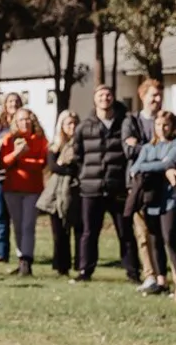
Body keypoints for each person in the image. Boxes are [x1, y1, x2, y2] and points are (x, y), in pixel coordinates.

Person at [70, 84, 143, 285]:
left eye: (108, 95)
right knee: (89, 232)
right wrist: (84, 176)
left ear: (113, 98)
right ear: (95, 99)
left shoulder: (125, 123)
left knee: (125, 231)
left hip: (117, 187)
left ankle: (132, 271)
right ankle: (85, 270)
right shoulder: (84, 126)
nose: (105, 98)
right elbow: (78, 155)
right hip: (90, 188)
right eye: (101, 95)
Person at [129, 111, 176, 297]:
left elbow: (170, 162)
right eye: (158, 125)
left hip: (170, 199)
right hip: (151, 200)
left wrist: (159, 165)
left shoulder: (173, 145)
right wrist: (161, 165)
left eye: (165, 125)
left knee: (170, 238)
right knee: (154, 239)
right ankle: (161, 280)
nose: (162, 129)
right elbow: (136, 168)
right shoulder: (148, 147)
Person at [0, 108, 49, 278]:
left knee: (28, 226)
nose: (25, 123)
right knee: (18, 225)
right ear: (15, 122)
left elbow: (41, 162)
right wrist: (17, 154)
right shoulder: (10, 139)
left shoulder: (40, 140)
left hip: (32, 189)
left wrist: (21, 161)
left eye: (28, 119)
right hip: (12, 188)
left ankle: (27, 260)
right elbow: (4, 161)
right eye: (21, 120)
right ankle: (21, 260)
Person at [127, 79, 165, 289]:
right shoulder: (132, 121)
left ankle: (163, 276)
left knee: (163, 234)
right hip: (139, 185)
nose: (157, 100)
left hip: (163, 186)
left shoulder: (167, 120)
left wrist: (142, 148)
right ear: (142, 96)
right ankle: (150, 275)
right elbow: (128, 150)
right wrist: (157, 153)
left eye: (159, 96)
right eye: (153, 95)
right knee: (142, 233)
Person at [40, 110, 82, 277]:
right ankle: (61, 266)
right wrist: (65, 166)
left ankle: (80, 264)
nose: (72, 127)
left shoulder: (82, 143)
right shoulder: (55, 145)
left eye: (74, 123)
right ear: (62, 126)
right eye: (68, 124)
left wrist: (66, 166)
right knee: (59, 232)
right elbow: (53, 166)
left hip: (77, 191)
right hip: (56, 194)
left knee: (79, 230)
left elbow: (77, 166)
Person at [0, 92, 24, 264]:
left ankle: (22, 253)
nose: (13, 104)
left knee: (18, 216)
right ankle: (2, 253)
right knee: (1, 214)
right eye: (10, 101)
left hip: (19, 174)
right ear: (4, 104)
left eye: (16, 101)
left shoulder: (25, 123)